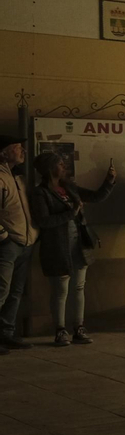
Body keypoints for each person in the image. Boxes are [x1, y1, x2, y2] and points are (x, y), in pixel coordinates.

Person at [31, 152, 117, 346]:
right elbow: (44, 221)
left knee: (79, 287)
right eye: (60, 164)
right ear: (49, 168)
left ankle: (79, 327)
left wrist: (109, 181)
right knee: (60, 289)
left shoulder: (68, 187)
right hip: (57, 247)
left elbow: (95, 197)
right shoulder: (40, 192)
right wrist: (72, 212)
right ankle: (60, 330)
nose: (64, 167)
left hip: (79, 244)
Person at [0, 135, 38, 353]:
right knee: (2, 290)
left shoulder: (18, 178)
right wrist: (4, 236)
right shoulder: (1, 178)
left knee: (15, 291)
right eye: (17, 147)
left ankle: (6, 333)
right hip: (8, 244)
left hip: (25, 242)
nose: (23, 150)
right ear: (4, 153)